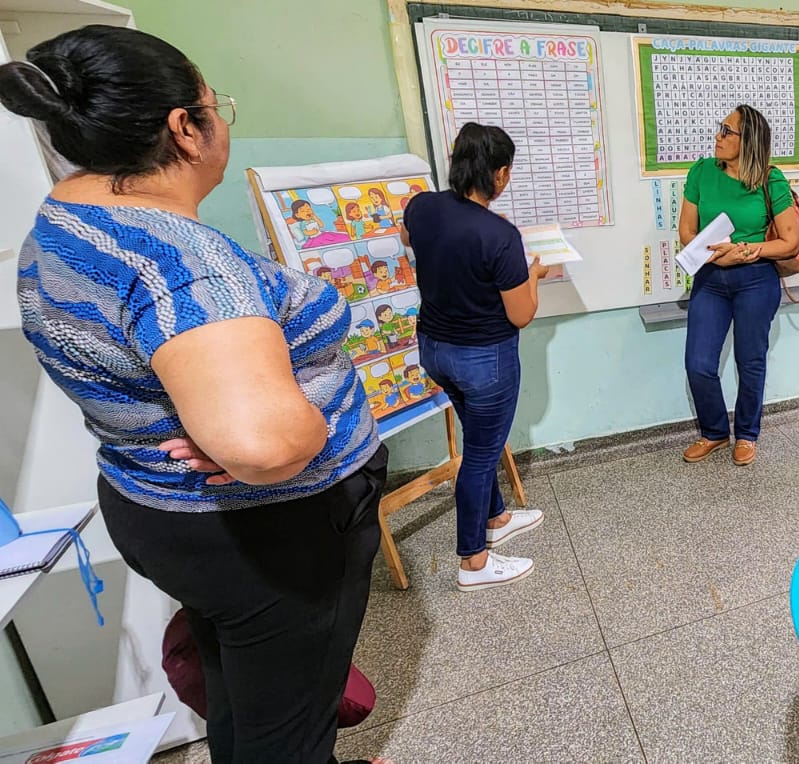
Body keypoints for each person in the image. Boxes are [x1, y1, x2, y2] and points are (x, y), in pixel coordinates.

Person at [0, 26, 390, 764]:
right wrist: (307, 423)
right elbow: (265, 446)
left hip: (156, 505)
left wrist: (215, 421)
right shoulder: (185, 264)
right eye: (218, 106)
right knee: (291, 727)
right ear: (185, 127)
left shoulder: (67, 220)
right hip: (268, 526)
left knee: (241, 690)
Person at [401, 122, 550, 591]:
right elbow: (521, 314)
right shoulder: (499, 234)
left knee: (478, 440)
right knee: (481, 457)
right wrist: (534, 276)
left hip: (435, 350)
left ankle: (496, 517)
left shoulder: (422, 207)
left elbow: (408, 240)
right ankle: (474, 561)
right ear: (500, 174)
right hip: (485, 360)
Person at [679, 105, 799, 466]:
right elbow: (687, 231)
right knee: (698, 363)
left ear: (748, 141)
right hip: (710, 277)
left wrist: (747, 250)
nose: (718, 136)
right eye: (720, 128)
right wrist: (718, 258)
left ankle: (747, 433)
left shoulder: (770, 179)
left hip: (756, 280)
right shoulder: (702, 171)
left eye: (727, 131)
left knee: (750, 361)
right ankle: (715, 432)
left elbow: (791, 241)